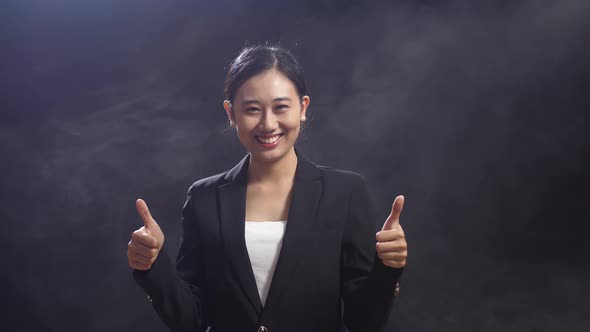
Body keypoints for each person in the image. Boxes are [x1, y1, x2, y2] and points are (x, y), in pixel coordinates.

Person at [127, 45, 408, 332]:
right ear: (231, 113)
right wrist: (152, 264)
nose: (268, 123)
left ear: (303, 108)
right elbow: (192, 320)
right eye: (252, 110)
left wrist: (388, 269)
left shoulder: (345, 193)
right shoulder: (204, 198)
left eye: (281, 107)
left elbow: (363, 322)